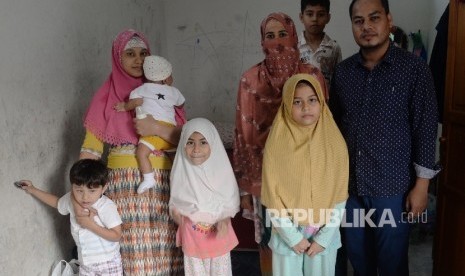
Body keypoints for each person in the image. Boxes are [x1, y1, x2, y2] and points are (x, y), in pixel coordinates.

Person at [329, 0, 439, 275]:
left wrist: (422, 186)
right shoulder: (343, 73)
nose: (366, 26)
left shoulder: (413, 70)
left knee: (392, 264)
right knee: (359, 260)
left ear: (388, 20)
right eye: (358, 21)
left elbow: (425, 129)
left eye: (374, 18)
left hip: (394, 190)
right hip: (351, 190)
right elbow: (333, 128)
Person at [79, 29, 184, 275]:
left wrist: (156, 127)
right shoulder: (107, 98)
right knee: (135, 253)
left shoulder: (164, 93)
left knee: (168, 249)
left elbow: (186, 141)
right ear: (118, 58)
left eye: (143, 53)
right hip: (124, 187)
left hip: (166, 183)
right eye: (130, 54)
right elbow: (91, 152)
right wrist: (81, 196)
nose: (138, 60)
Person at [233, 12, 327, 275]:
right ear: (262, 41)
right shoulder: (250, 80)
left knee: (310, 246)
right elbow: (243, 136)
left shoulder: (312, 76)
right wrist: (245, 190)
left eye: (282, 34)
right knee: (273, 245)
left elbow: (324, 131)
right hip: (266, 182)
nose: (276, 42)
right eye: (269, 36)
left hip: (308, 180)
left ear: (294, 36)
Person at [261, 73, 348, 276]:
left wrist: (323, 238)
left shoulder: (335, 144)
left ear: (321, 103)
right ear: (286, 105)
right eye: (296, 101)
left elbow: (340, 196)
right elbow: (272, 198)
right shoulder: (276, 146)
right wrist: (293, 237)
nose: (305, 108)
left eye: (312, 100)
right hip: (286, 236)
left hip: (323, 236)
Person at [17, 159, 123, 275]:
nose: (85, 197)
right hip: (85, 264)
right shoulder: (71, 200)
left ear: (103, 188)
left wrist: (90, 225)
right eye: (79, 190)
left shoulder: (105, 206)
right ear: (72, 187)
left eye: (92, 191)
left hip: (108, 263)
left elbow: (116, 235)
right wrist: (32, 189)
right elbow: (57, 203)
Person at [169, 118, 240, 275]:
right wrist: (176, 214)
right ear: (182, 144)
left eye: (203, 142)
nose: (196, 149)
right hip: (192, 240)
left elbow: (229, 203)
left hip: (218, 239)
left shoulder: (222, 172)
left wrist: (224, 219)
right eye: (190, 142)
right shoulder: (180, 172)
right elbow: (175, 203)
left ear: (213, 144)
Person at [113, 55, 185, 194]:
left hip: (151, 129)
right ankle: (178, 181)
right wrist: (169, 89)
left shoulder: (142, 89)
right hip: (170, 131)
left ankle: (148, 178)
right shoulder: (174, 91)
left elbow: (134, 103)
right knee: (175, 159)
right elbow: (181, 104)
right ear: (165, 77)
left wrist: (124, 106)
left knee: (141, 153)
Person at [298, 0, 342, 92]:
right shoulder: (294, 46)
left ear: (328, 18)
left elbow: (338, 80)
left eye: (321, 14)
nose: (315, 19)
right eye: (309, 14)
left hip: (326, 103)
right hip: (300, 101)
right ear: (301, 17)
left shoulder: (333, 47)